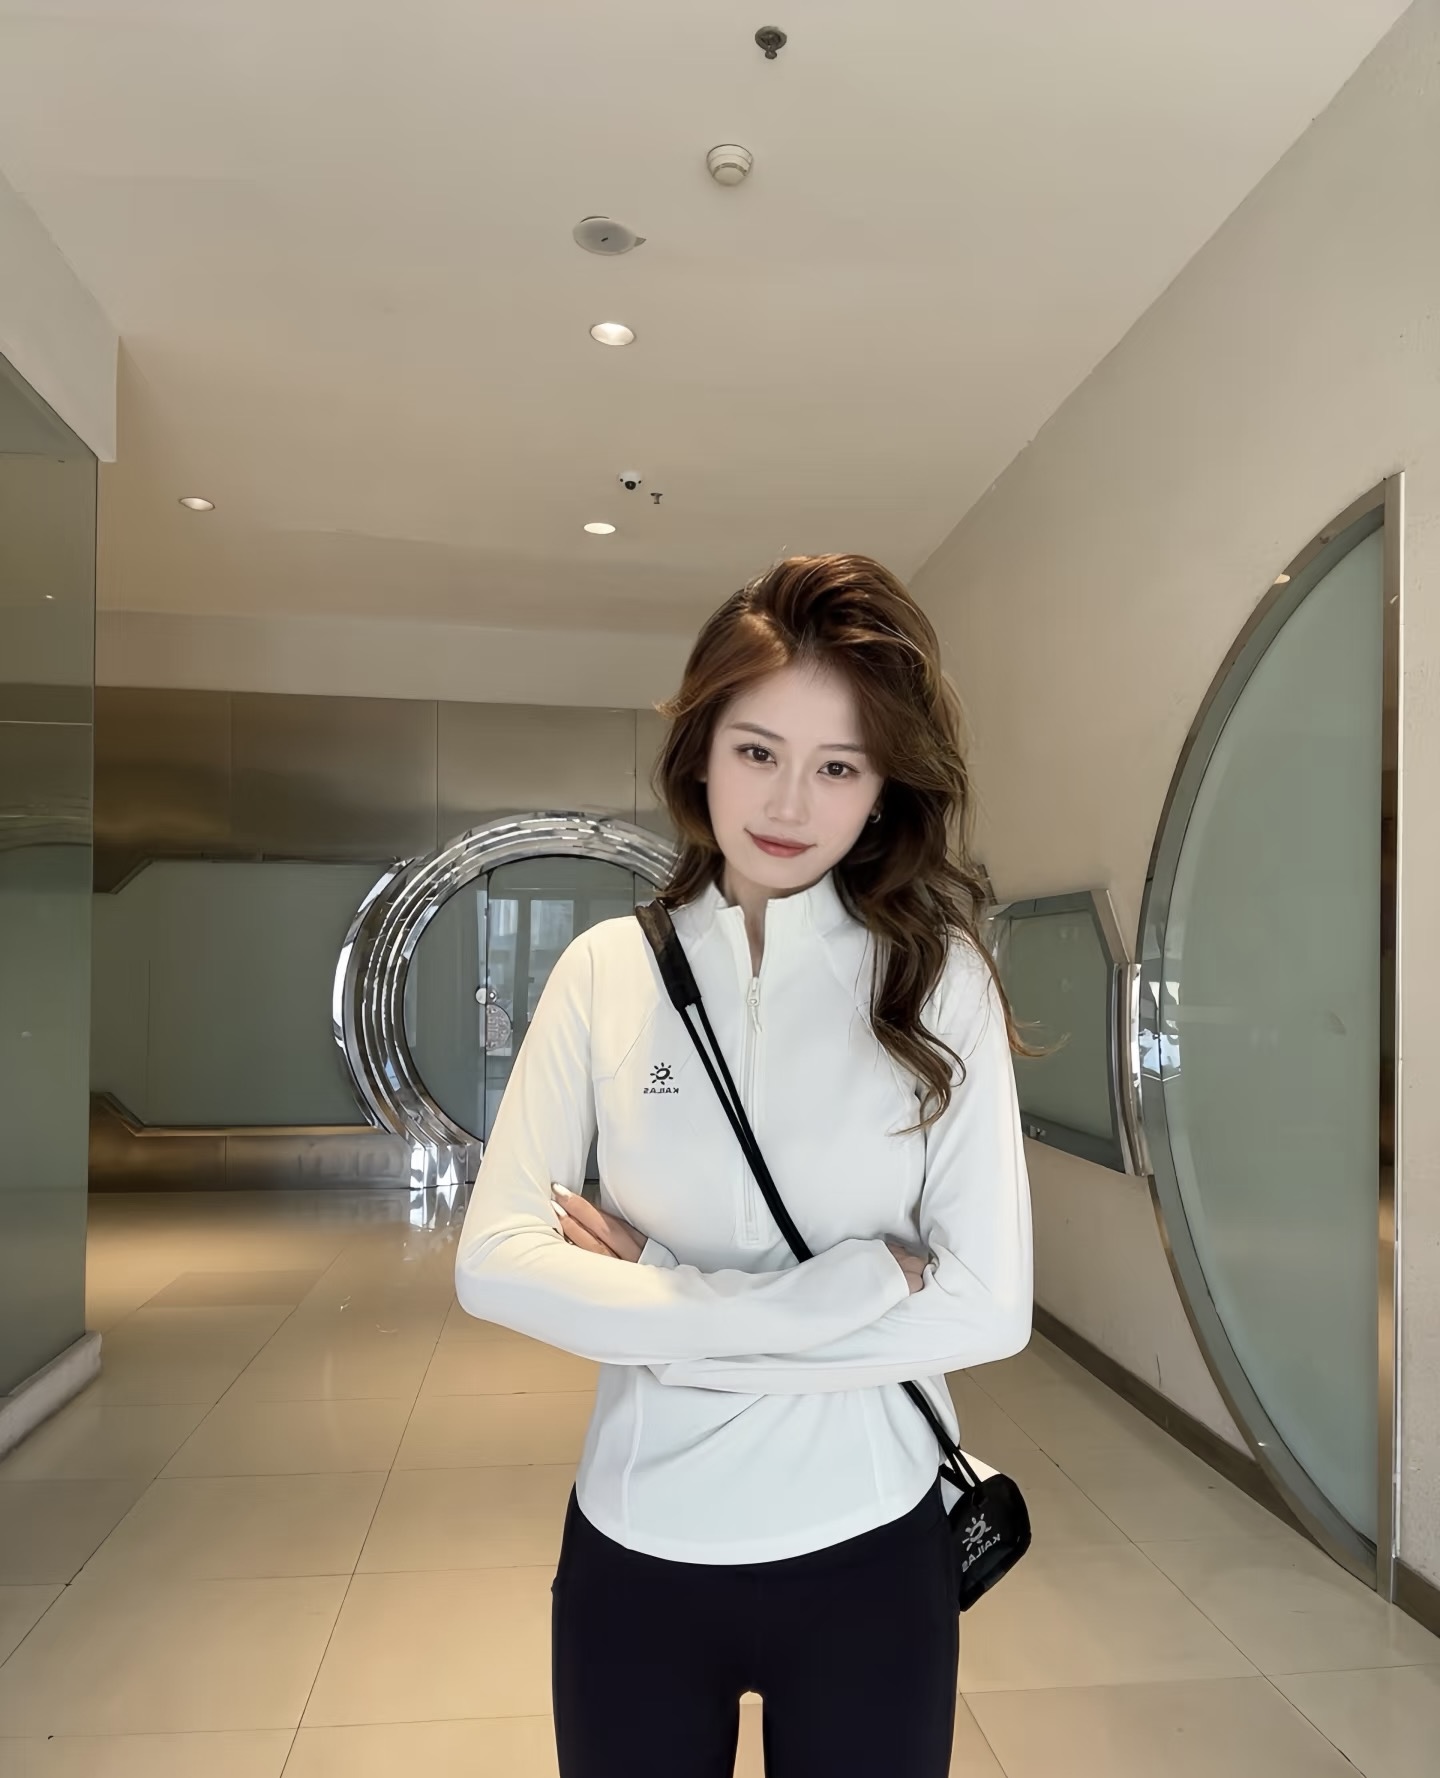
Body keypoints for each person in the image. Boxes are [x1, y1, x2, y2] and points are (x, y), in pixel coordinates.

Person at [454, 553, 1033, 1778]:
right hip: (637, 1544)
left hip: (872, 1542)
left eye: (840, 766)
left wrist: (657, 1313)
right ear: (701, 750)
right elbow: (494, 1261)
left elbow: (990, 1306)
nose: (789, 800)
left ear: (883, 788)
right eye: (758, 749)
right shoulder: (606, 970)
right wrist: (827, 1295)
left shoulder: (938, 982)